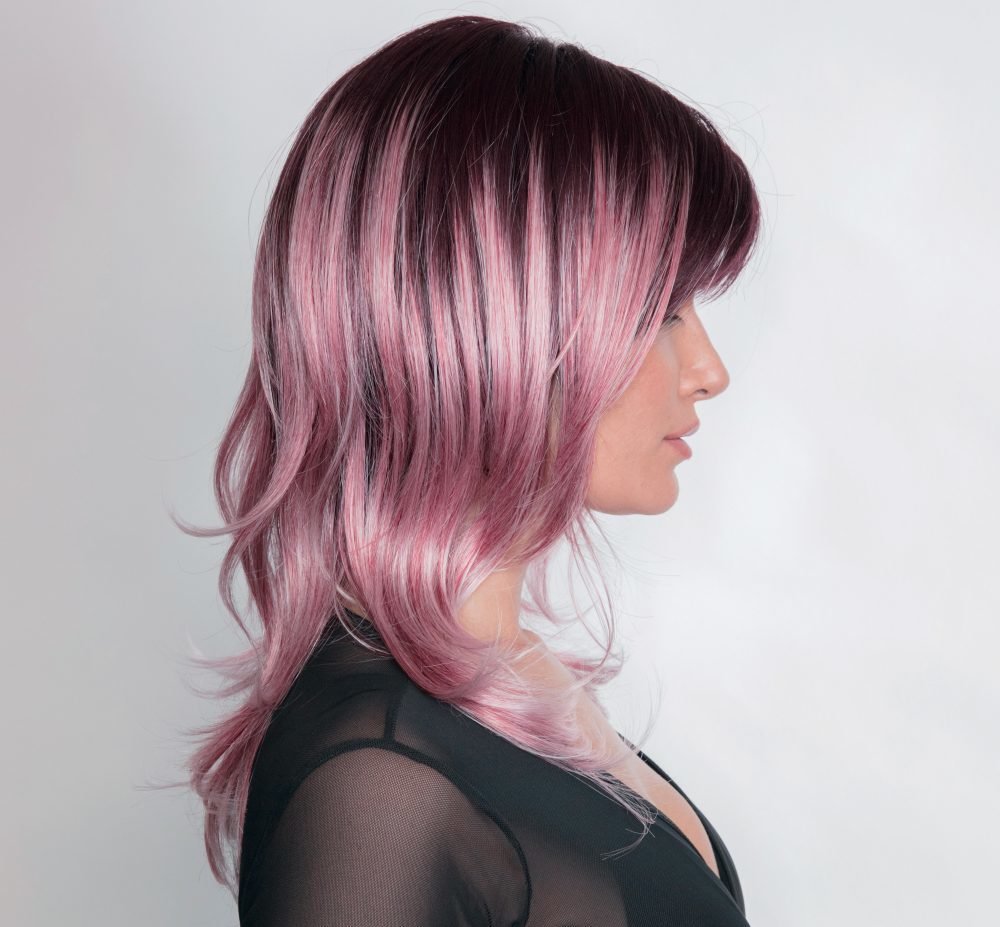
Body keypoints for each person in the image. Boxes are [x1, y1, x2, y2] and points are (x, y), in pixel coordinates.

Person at [179, 13, 763, 926]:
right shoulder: (379, 785)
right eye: (661, 310)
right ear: (493, 323)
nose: (709, 370)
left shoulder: (499, 678)